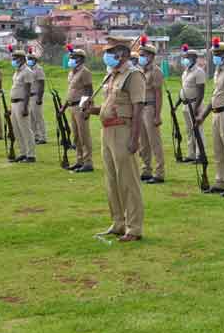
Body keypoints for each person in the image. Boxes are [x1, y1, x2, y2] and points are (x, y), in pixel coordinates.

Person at [84, 36, 146, 242]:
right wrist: (91, 109)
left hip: (123, 131)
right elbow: (108, 107)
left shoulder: (133, 75)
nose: (108, 56)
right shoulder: (110, 76)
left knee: (128, 180)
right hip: (107, 131)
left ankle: (134, 227)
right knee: (112, 180)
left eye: (112, 52)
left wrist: (135, 139)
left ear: (124, 54)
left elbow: (138, 109)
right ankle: (118, 222)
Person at [197, 37, 224, 197]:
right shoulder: (218, 71)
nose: (214, 56)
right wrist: (203, 115)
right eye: (213, 53)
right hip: (216, 112)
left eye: (217, 53)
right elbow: (215, 96)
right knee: (218, 150)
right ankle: (220, 181)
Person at [137, 36, 166, 184]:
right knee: (143, 142)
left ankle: (159, 172)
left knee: (154, 141)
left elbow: (158, 94)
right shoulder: (140, 70)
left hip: (150, 107)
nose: (141, 57)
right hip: (141, 107)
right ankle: (146, 169)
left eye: (143, 55)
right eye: (140, 55)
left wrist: (157, 115)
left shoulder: (156, 71)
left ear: (151, 56)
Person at [66, 47, 94, 173]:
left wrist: (85, 107)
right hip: (72, 106)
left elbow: (88, 90)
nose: (71, 59)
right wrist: (64, 106)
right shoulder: (71, 72)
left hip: (80, 106)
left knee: (84, 135)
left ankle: (88, 162)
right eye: (71, 57)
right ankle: (79, 160)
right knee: (76, 136)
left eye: (74, 57)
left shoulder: (85, 72)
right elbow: (71, 91)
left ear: (81, 59)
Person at [179, 44, 207, 163]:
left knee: (198, 130)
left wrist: (196, 107)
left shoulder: (199, 72)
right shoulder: (185, 72)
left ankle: (200, 154)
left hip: (195, 104)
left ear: (194, 59)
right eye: (184, 57)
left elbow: (201, 91)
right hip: (185, 104)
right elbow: (184, 89)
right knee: (189, 130)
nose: (185, 59)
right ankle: (191, 154)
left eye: (188, 57)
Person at [9, 47, 36, 163]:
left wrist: (25, 107)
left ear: (21, 59)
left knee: (25, 129)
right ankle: (22, 152)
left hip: (22, 103)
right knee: (16, 130)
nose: (13, 60)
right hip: (14, 102)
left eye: (15, 58)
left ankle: (31, 154)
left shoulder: (27, 72)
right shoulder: (17, 71)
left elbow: (27, 90)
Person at [27, 49, 47, 144]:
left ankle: (43, 137)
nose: (29, 60)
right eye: (28, 58)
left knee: (38, 117)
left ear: (35, 60)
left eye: (31, 58)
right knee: (31, 118)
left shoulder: (38, 69)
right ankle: (35, 136)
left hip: (35, 95)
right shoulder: (28, 69)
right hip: (29, 96)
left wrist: (39, 98)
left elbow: (41, 84)